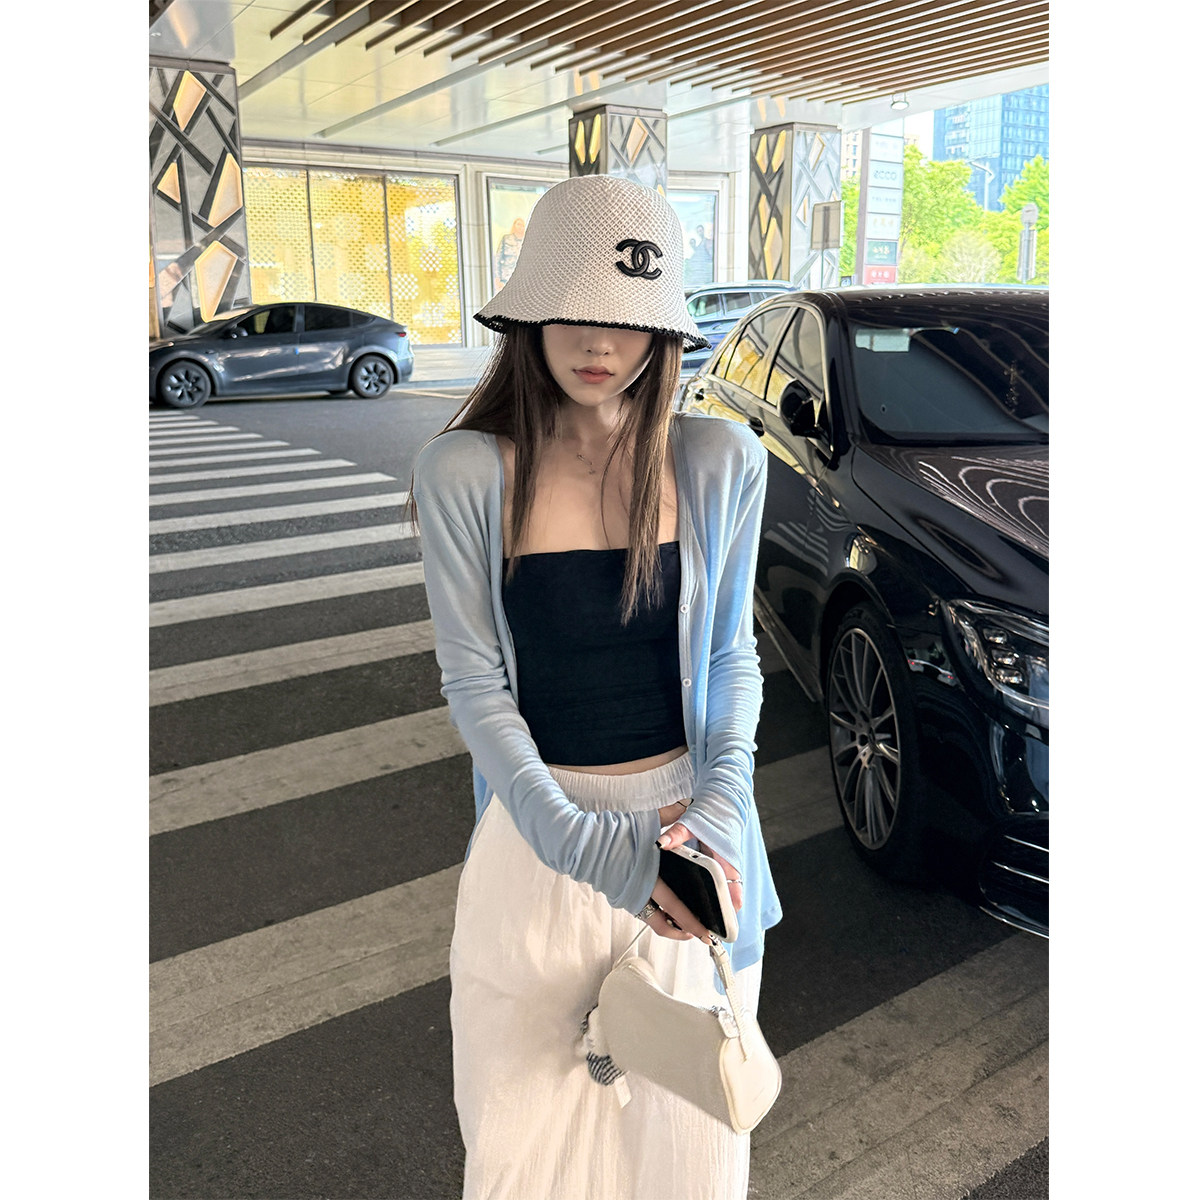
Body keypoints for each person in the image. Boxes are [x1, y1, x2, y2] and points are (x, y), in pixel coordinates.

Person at [411, 174, 781, 1200]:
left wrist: (718, 809)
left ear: (661, 330)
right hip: (543, 843)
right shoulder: (466, 471)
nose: (597, 340)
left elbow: (730, 657)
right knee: (522, 1152)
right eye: (569, 306)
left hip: (695, 848)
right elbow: (474, 681)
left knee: (687, 1154)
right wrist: (585, 845)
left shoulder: (719, 460)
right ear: (529, 314)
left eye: (626, 315)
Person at [492, 216, 525, 291]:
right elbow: (498, 258)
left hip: (522, 279)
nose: (520, 227)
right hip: (506, 278)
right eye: (518, 224)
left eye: (522, 225)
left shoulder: (527, 240)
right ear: (514, 225)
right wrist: (497, 278)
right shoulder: (506, 239)